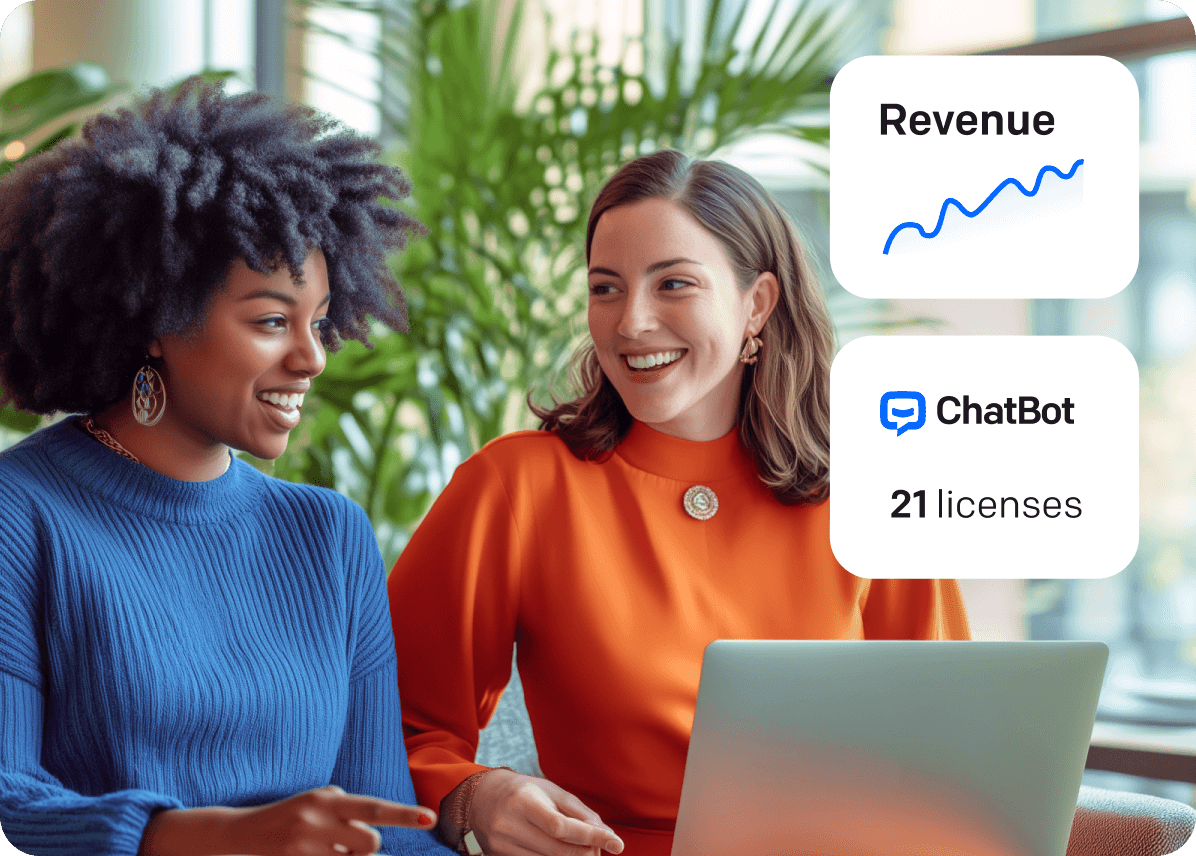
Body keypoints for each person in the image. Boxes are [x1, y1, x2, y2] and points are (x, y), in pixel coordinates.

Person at [388, 149, 970, 856]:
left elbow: (951, 759)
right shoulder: (517, 486)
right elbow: (386, 724)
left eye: (674, 284)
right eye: (606, 288)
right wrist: (474, 796)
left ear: (757, 303)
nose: (630, 322)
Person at [0, 77, 454, 856]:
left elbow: (384, 825)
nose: (311, 358)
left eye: (317, 321)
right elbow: (15, 794)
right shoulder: (23, 511)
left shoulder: (329, 535)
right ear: (155, 317)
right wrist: (217, 837)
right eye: (272, 321)